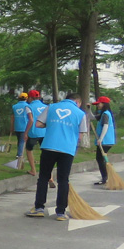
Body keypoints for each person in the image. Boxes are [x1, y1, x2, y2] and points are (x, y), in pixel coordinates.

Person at [25, 92, 88, 221]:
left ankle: (39, 208)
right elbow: (80, 136)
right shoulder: (80, 113)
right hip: (67, 149)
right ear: (77, 102)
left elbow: (38, 124)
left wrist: (53, 124)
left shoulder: (51, 107)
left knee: (43, 177)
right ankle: (61, 212)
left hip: (49, 146)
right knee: (63, 180)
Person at [24, 89, 48, 179]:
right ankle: (48, 174)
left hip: (34, 132)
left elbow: (31, 120)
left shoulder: (28, 107)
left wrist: (26, 132)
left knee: (29, 149)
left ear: (30, 98)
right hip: (44, 132)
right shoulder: (46, 106)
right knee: (46, 153)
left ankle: (33, 170)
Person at [93, 96, 116, 185]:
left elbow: (105, 126)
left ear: (104, 104)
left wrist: (101, 138)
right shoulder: (103, 114)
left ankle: (105, 177)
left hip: (105, 141)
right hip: (106, 140)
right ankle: (105, 177)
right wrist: (88, 109)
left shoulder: (106, 114)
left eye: (99, 104)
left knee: (100, 159)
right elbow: (92, 117)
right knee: (100, 159)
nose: (98, 105)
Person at [11, 92, 30, 161]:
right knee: (22, 141)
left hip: (17, 126)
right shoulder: (27, 106)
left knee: (19, 141)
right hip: (24, 126)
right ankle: (20, 155)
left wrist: (12, 126)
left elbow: (12, 117)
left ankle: (18, 153)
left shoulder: (14, 106)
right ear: (26, 98)